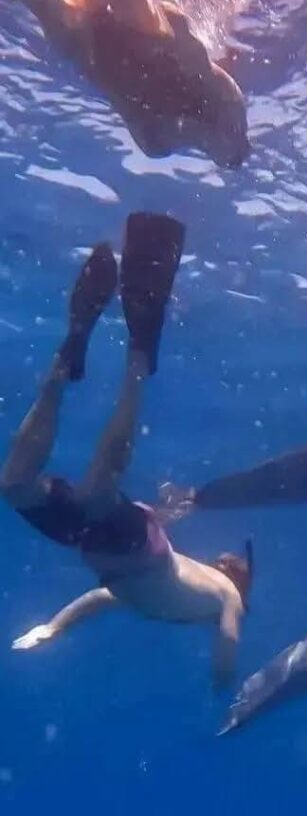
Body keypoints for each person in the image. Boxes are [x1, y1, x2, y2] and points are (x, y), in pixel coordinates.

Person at [3, 212, 251, 687]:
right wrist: (225, 681)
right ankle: (139, 353)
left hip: (99, 547)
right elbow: (229, 636)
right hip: (137, 548)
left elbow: (100, 601)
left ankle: (66, 359)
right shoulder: (227, 596)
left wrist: (52, 628)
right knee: (98, 490)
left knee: (14, 485)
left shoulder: (184, 594)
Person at [0, 0, 250, 167]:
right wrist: (173, 26)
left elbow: (191, 54)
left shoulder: (157, 143)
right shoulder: (210, 109)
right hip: (132, 41)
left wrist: (173, 26)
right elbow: (194, 55)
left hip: (96, 51)